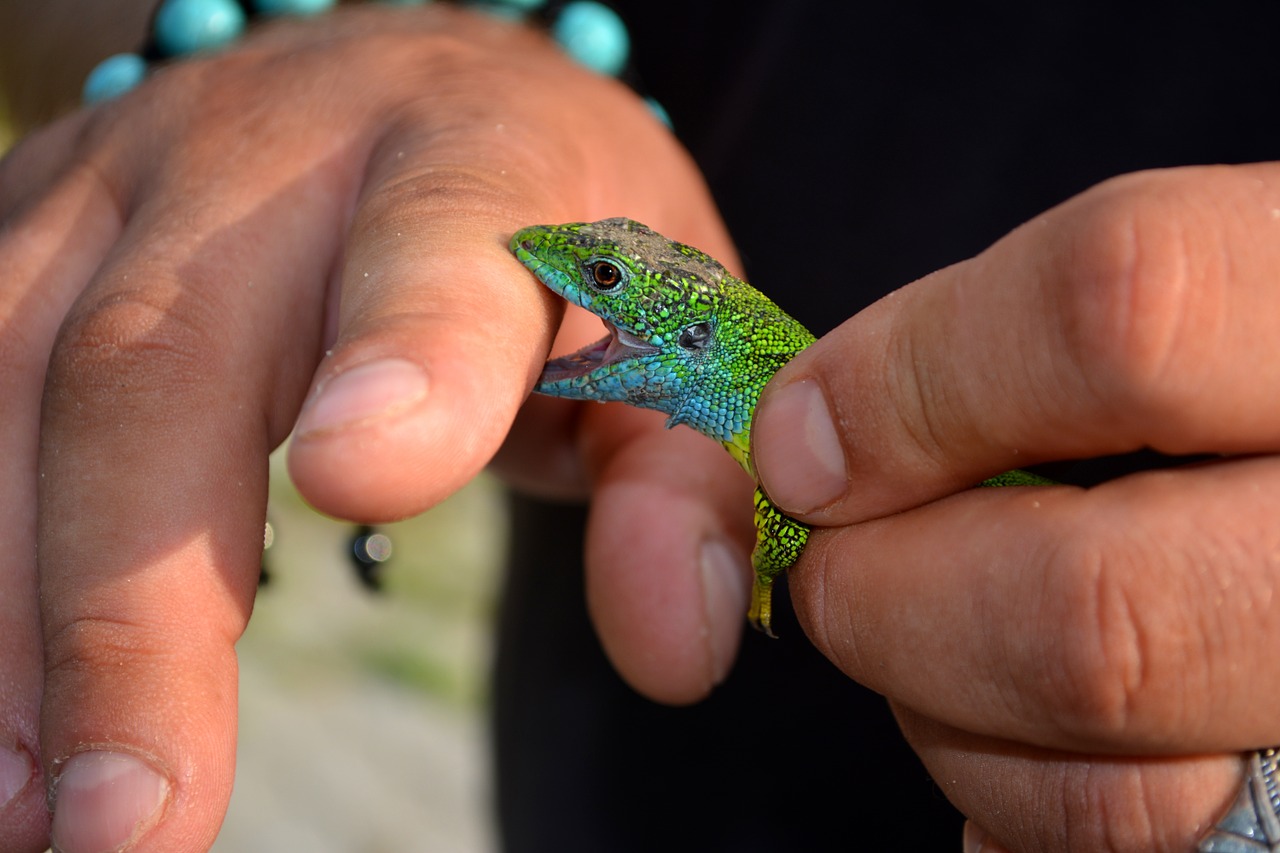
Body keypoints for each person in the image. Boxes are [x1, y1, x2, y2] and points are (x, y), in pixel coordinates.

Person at [2, 1, 1279, 851]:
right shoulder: (765, 431)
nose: (556, 271)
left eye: (602, 287)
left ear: (699, 343)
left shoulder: (788, 456)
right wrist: (305, 35)